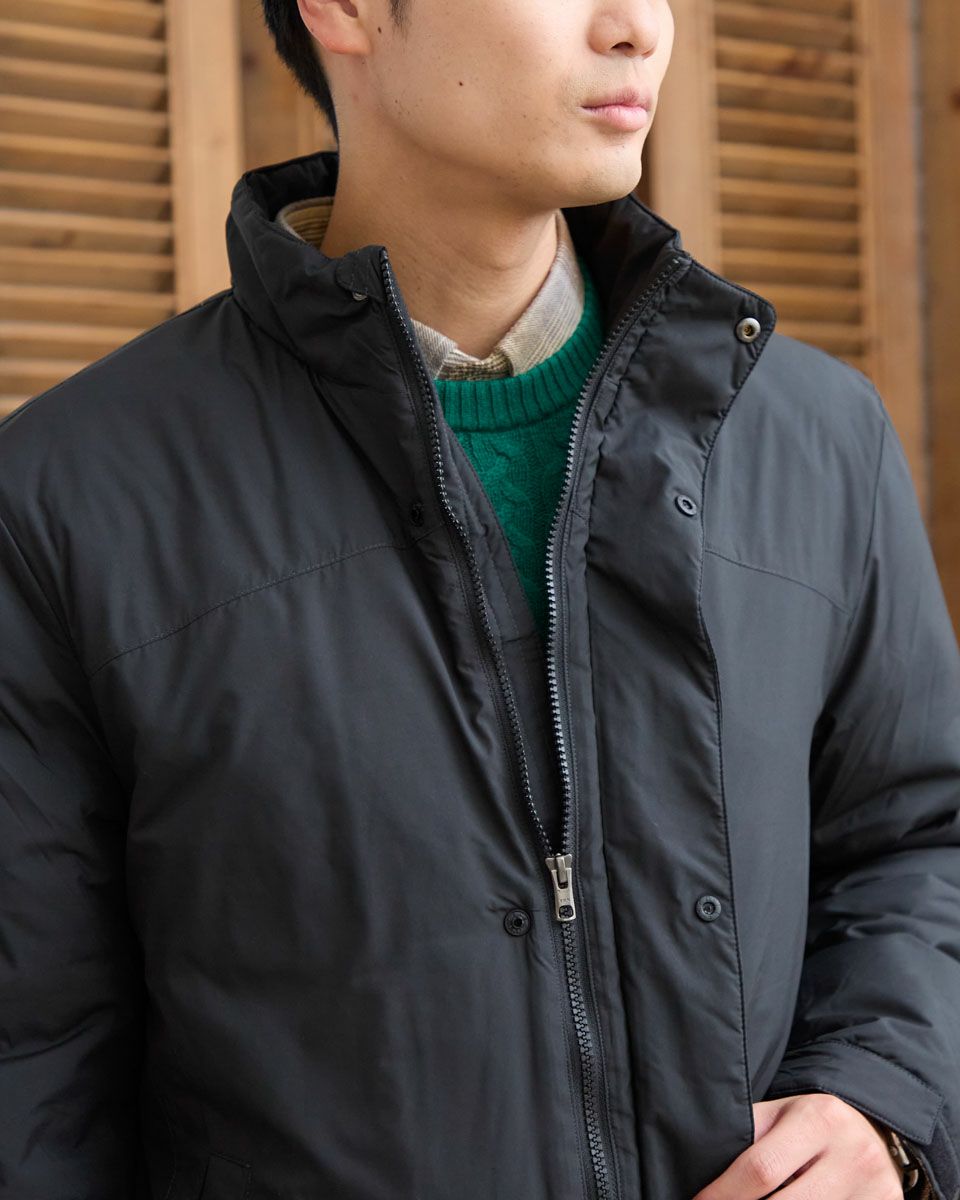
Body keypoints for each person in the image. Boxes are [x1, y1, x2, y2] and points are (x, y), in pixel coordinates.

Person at [0, 0, 956, 1196]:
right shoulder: (71, 494)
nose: (639, 26)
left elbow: (919, 839)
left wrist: (882, 1097)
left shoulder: (815, 437)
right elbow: (34, 1067)